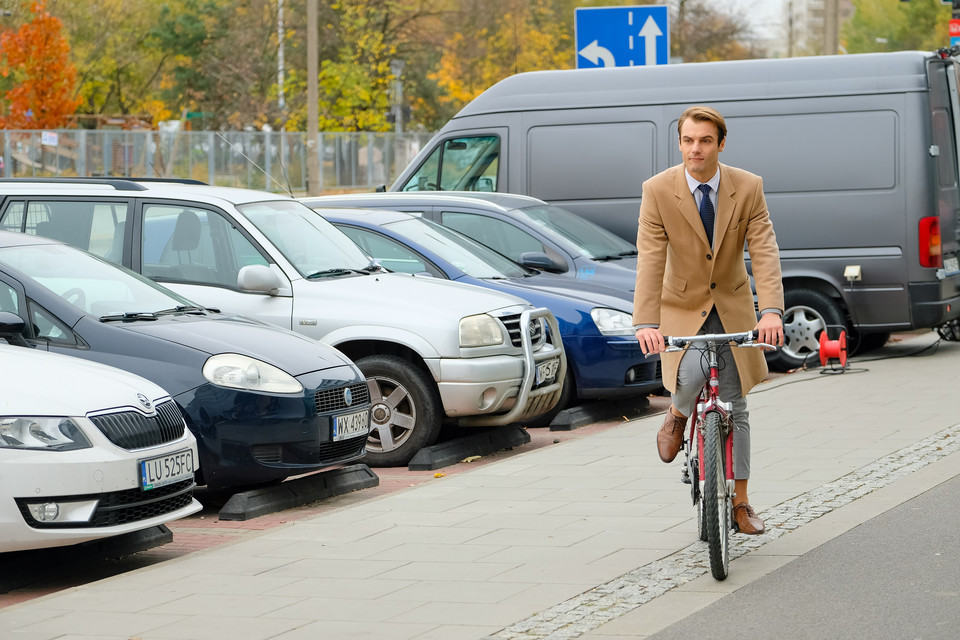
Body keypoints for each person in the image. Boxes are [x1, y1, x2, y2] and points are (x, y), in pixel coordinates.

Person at [633, 105, 784, 535]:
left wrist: (770, 309)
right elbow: (650, 258)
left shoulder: (748, 187)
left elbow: (765, 250)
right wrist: (646, 321)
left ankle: (741, 503)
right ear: (679, 141)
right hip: (680, 305)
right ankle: (679, 414)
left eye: (704, 141)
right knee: (693, 369)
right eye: (687, 140)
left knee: (735, 403)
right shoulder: (658, 190)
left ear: (720, 143)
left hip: (733, 303)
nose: (694, 149)